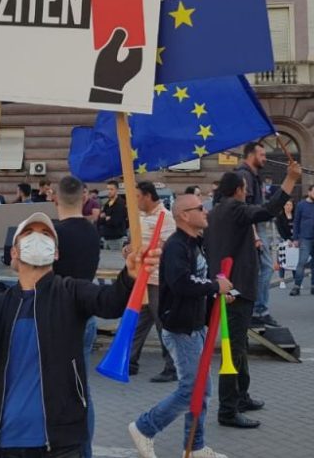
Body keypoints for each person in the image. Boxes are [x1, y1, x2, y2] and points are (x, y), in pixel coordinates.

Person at [0, 211, 159, 458]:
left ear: (56, 253)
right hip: (5, 440)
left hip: (62, 442)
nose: (38, 237)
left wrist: (129, 276)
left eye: (46, 234)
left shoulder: (70, 292)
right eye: (29, 233)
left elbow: (109, 302)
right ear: (14, 252)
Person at [129, 194, 231, 458]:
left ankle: (195, 446)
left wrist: (219, 290)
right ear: (185, 215)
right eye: (200, 208)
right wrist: (214, 286)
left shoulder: (196, 243)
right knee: (191, 390)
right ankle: (144, 427)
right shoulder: (176, 246)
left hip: (195, 325)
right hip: (181, 328)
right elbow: (181, 282)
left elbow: (200, 279)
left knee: (202, 390)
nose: (206, 212)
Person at [206, 162, 299, 430]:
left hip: (228, 286)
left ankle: (241, 395)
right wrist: (290, 179)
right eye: (245, 188)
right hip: (236, 289)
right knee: (233, 350)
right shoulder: (235, 209)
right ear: (238, 190)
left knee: (239, 345)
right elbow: (268, 210)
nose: (247, 192)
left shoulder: (215, 212)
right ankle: (227, 410)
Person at [53, 175, 102, 458]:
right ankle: (84, 450)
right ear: (84, 198)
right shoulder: (92, 232)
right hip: (87, 316)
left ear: (54, 198)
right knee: (82, 389)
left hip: (58, 319)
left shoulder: (54, 233)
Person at [128, 182, 177, 382]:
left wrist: (150, 249)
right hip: (141, 277)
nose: (135, 201)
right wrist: (128, 249)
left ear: (148, 196)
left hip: (157, 279)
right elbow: (133, 242)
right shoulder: (139, 216)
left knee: (161, 323)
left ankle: (173, 366)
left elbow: (171, 248)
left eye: (138, 196)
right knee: (139, 321)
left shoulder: (166, 217)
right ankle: (130, 360)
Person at [237, 142, 277, 326]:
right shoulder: (245, 175)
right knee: (265, 268)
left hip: (257, 225)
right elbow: (246, 208)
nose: (265, 159)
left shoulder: (252, 175)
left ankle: (257, 309)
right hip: (254, 227)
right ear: (251, 155)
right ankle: (259, 310)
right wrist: (255, 235)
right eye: (262, 155)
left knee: (261, 269)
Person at [289, 185, 314, 296]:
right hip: (305, 238)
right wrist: (295, 238)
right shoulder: (301, 205)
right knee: (302, 262)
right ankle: (296, 286)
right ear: (309, 192)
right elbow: (296, 222)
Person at [96, 180, 127, 248]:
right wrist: (106, 218)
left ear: (117, 190)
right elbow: (99, 219)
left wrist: (105, 218)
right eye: (108, 189)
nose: (109, 191)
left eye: (111, 189)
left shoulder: (120, 203)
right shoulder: (108, 203)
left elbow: (115, 222)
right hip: (106, 237)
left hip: (116, 237)